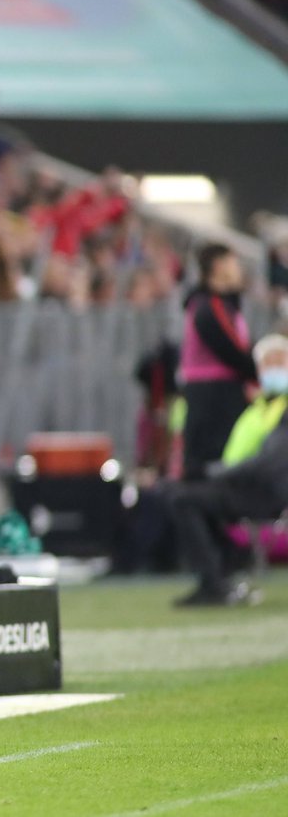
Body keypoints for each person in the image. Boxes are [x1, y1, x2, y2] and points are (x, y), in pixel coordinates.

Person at [167, 334, 288, 606]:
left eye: (279, 362)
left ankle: (215, 580)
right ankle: (223, 571)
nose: (273, 371)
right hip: (241, 484)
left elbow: (268, 461)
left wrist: (217, 473)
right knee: (181, 495)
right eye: (266, 365)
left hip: (265, 490)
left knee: (185, 500)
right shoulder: (257, 409)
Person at [179, 245, 257, 481]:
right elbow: (234, 352)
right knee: (213, 466)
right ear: (218, 267)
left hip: (217, 396)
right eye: (234, 264)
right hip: (215, 398)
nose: (238, 271)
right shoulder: (211, 306)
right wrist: (260, 373)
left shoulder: (223, 305)